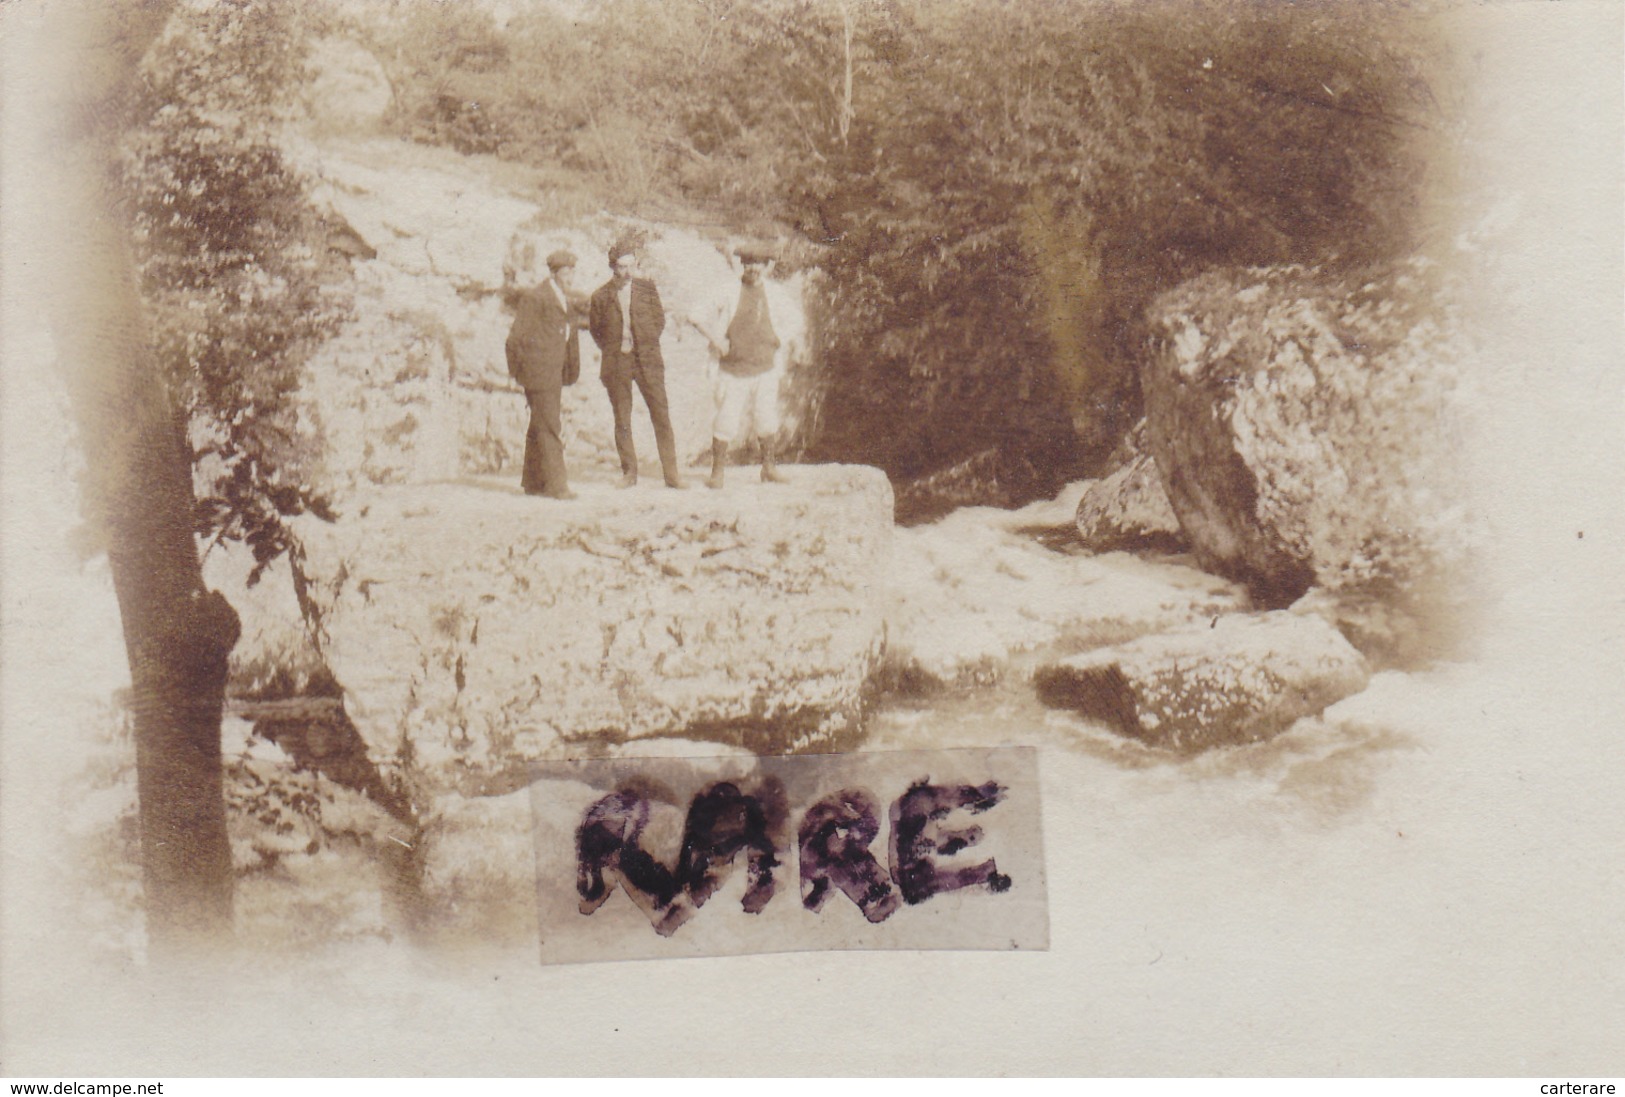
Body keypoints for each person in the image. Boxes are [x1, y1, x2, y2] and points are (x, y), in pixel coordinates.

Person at [587, 240, 686, 489]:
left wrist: (645, 343)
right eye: (622, 267)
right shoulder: (600, 296)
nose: (628, 272)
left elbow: (659, 321)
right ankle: (629, 473)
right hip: (618, 362)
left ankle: (671, 474)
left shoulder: (647, 289)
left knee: (661, 414)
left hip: (647, 361)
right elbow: (596, 330)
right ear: (613, 267)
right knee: (622, 417)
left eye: (631, 265)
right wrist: (617, 348)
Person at [700, 244, 791, 489]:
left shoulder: (776, 293)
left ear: (766, 266)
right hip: (734, 368)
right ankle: (717, 473)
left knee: (766, 417)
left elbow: (796, 320)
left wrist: (778, 340)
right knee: (726, 418)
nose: (753, 268)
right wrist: (716, 340)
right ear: (742, 264)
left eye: (758, 263)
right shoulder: (727, 290)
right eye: (749, 262)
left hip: (766, 366)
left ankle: (768, 468)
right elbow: (695, 314)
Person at [505, 248, 582, 500]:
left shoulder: (562, 296)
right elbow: (516, 338)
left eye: (572, 271)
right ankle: (557, 486)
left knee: (539, 422)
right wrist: (519, 373)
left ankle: (533, 482)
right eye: (565, 271)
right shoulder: (537, 297)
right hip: (539, 373)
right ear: (553, 272)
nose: (570, 276)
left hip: (554, 371)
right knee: (550, 425)